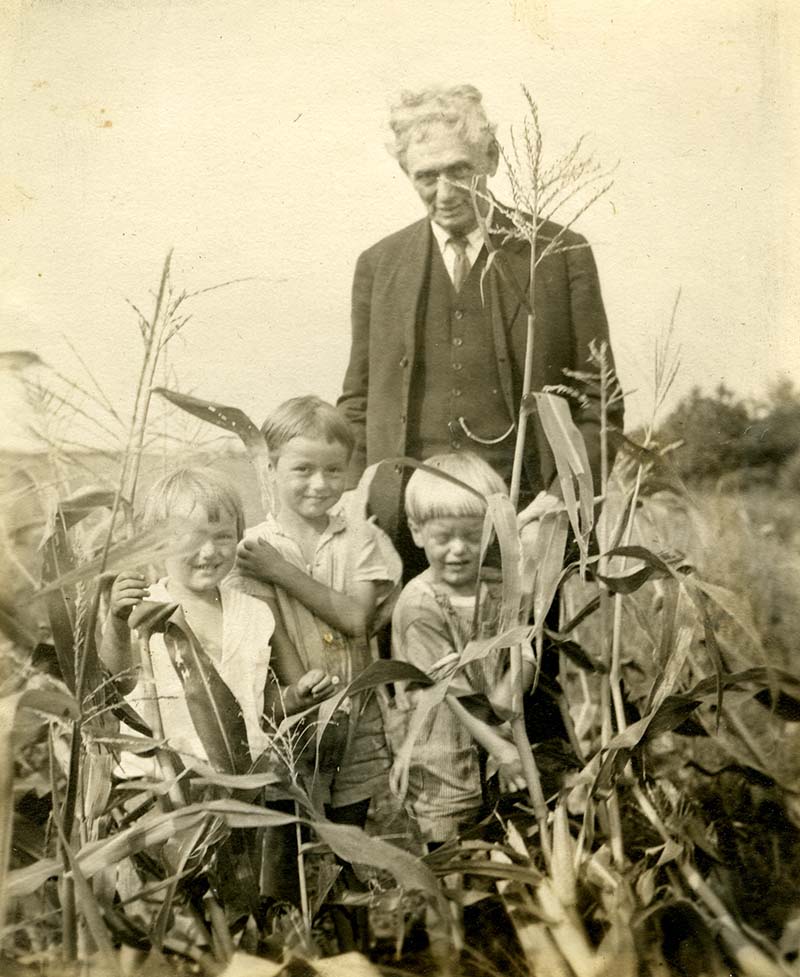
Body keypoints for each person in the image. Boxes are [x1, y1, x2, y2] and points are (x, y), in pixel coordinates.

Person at [337, 83, 623, 577]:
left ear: (490, 157)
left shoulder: (559, 254)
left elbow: (601, 404)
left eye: (459, 171)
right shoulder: (378, 266)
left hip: (526, 521)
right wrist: (354, 511)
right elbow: (358, 404)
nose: (444, 193)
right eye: (426, 176)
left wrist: (560, 504)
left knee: (525, 656)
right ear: (406, 172)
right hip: (404, 533)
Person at [234, 395, 402, 828]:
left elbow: (356, 622)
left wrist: (283, 572)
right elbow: (266, 631)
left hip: (355, 716)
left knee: (350, 830)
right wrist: (299, 691)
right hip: (290, 720)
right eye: (302, 470)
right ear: (271, 470)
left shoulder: (360, 537)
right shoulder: (255, 548)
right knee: (293, 832)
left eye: (333, 470)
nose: (320, 483)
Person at [100, 467, 334, 771]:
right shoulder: (143, 606)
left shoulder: (255, 615)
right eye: (192, 540)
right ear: (157, 545)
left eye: (223, 536)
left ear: (238, 535)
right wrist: (118, 622)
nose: (209, 552)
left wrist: (295, 697)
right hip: (159, 782)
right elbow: (114, 685)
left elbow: (257, 707)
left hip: (240, 780)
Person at [390, 452, 533, 845]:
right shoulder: (419, 605)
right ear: (417, 532)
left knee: (496, 849)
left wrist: (510, 690)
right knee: (448, 852)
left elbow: (525, 648)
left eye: (473, 536)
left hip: (495, 743)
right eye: (443, 537)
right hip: (441, 758)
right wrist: (501, 747)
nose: (458, 549)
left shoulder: (501, 589)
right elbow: (451, 689)